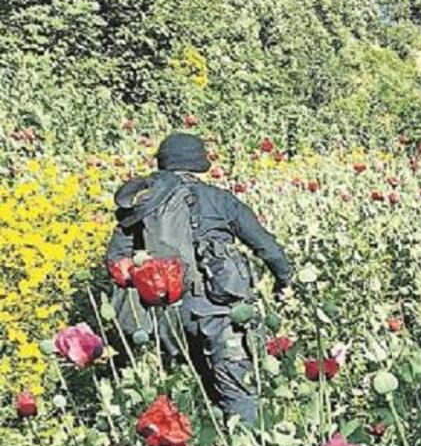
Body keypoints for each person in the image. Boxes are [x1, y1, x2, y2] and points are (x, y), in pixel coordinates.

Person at [105, 133, 293, 425]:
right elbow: (266, 247)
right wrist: (285, 281)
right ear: (199, 162)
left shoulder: (144, 203)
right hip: (221, 310)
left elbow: (116, 261)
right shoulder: (220, 200)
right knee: (238, 392)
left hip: (170, 314)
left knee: (203, 390)